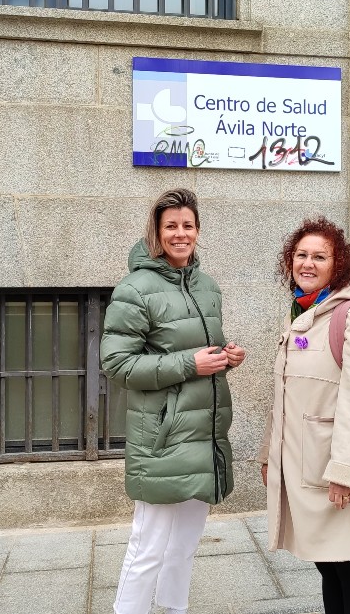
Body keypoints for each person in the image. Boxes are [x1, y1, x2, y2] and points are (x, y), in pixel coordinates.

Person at [101, 188, 247, 614]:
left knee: (185, 543)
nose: (180, 234)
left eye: (188, 225)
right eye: (171, 226)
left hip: (203, 432)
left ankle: (173, 608)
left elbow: (202, 349)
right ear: (157, 231)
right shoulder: (135, 289)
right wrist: (189, 363)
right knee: (148, 545)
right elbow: (117, 364)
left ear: (197, 230)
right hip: (162, 436)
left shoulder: (207, 286)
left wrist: (226, 357)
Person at [257, 216, 350, 614]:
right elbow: (284, 394)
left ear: (337, 265)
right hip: (303, 463)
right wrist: (269, 454)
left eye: (319, 256)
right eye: (301, 255)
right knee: (328, 564)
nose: (307, 263)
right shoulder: (301, 313)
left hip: (336, 465)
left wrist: (344, 472)